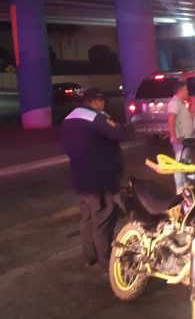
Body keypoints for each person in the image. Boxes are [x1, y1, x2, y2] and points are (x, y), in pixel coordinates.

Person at [61, 88, 133, 272]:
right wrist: (122, 126)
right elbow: (119, 134)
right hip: (99, 179)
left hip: (79, 178)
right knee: (103, 218)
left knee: (86, 218)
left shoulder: (69, 119)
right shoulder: (95, 117)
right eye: (103, 102)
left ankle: (90, 256)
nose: (104, 105)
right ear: (97, 101)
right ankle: (105, 261)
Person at [167, 81, 195, 194]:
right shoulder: (174, 103)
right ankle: (180, 188)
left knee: (184, 162)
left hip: (185, 139)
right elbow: (171, 119)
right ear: (180, 91)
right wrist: (174, 136)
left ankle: (185, 185)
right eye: (186, 89)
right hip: (180, 140)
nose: (188, 91)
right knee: (179, 163)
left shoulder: (180, 103)